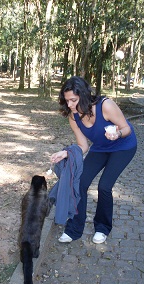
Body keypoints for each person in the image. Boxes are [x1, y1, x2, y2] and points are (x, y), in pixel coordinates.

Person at [50, 76, 137, 244]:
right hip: (100, 149)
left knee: (104, 186)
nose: (69, 105)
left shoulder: (105, 105)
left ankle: (102, 228)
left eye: (73, 100)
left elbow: (126, 128)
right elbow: (83, 146)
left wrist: (117, 134)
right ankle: (74, 229)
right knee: (80, 182)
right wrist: (66, 153)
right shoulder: (73, 117)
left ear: (83, 96)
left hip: (123, 147)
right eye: (67, 101)